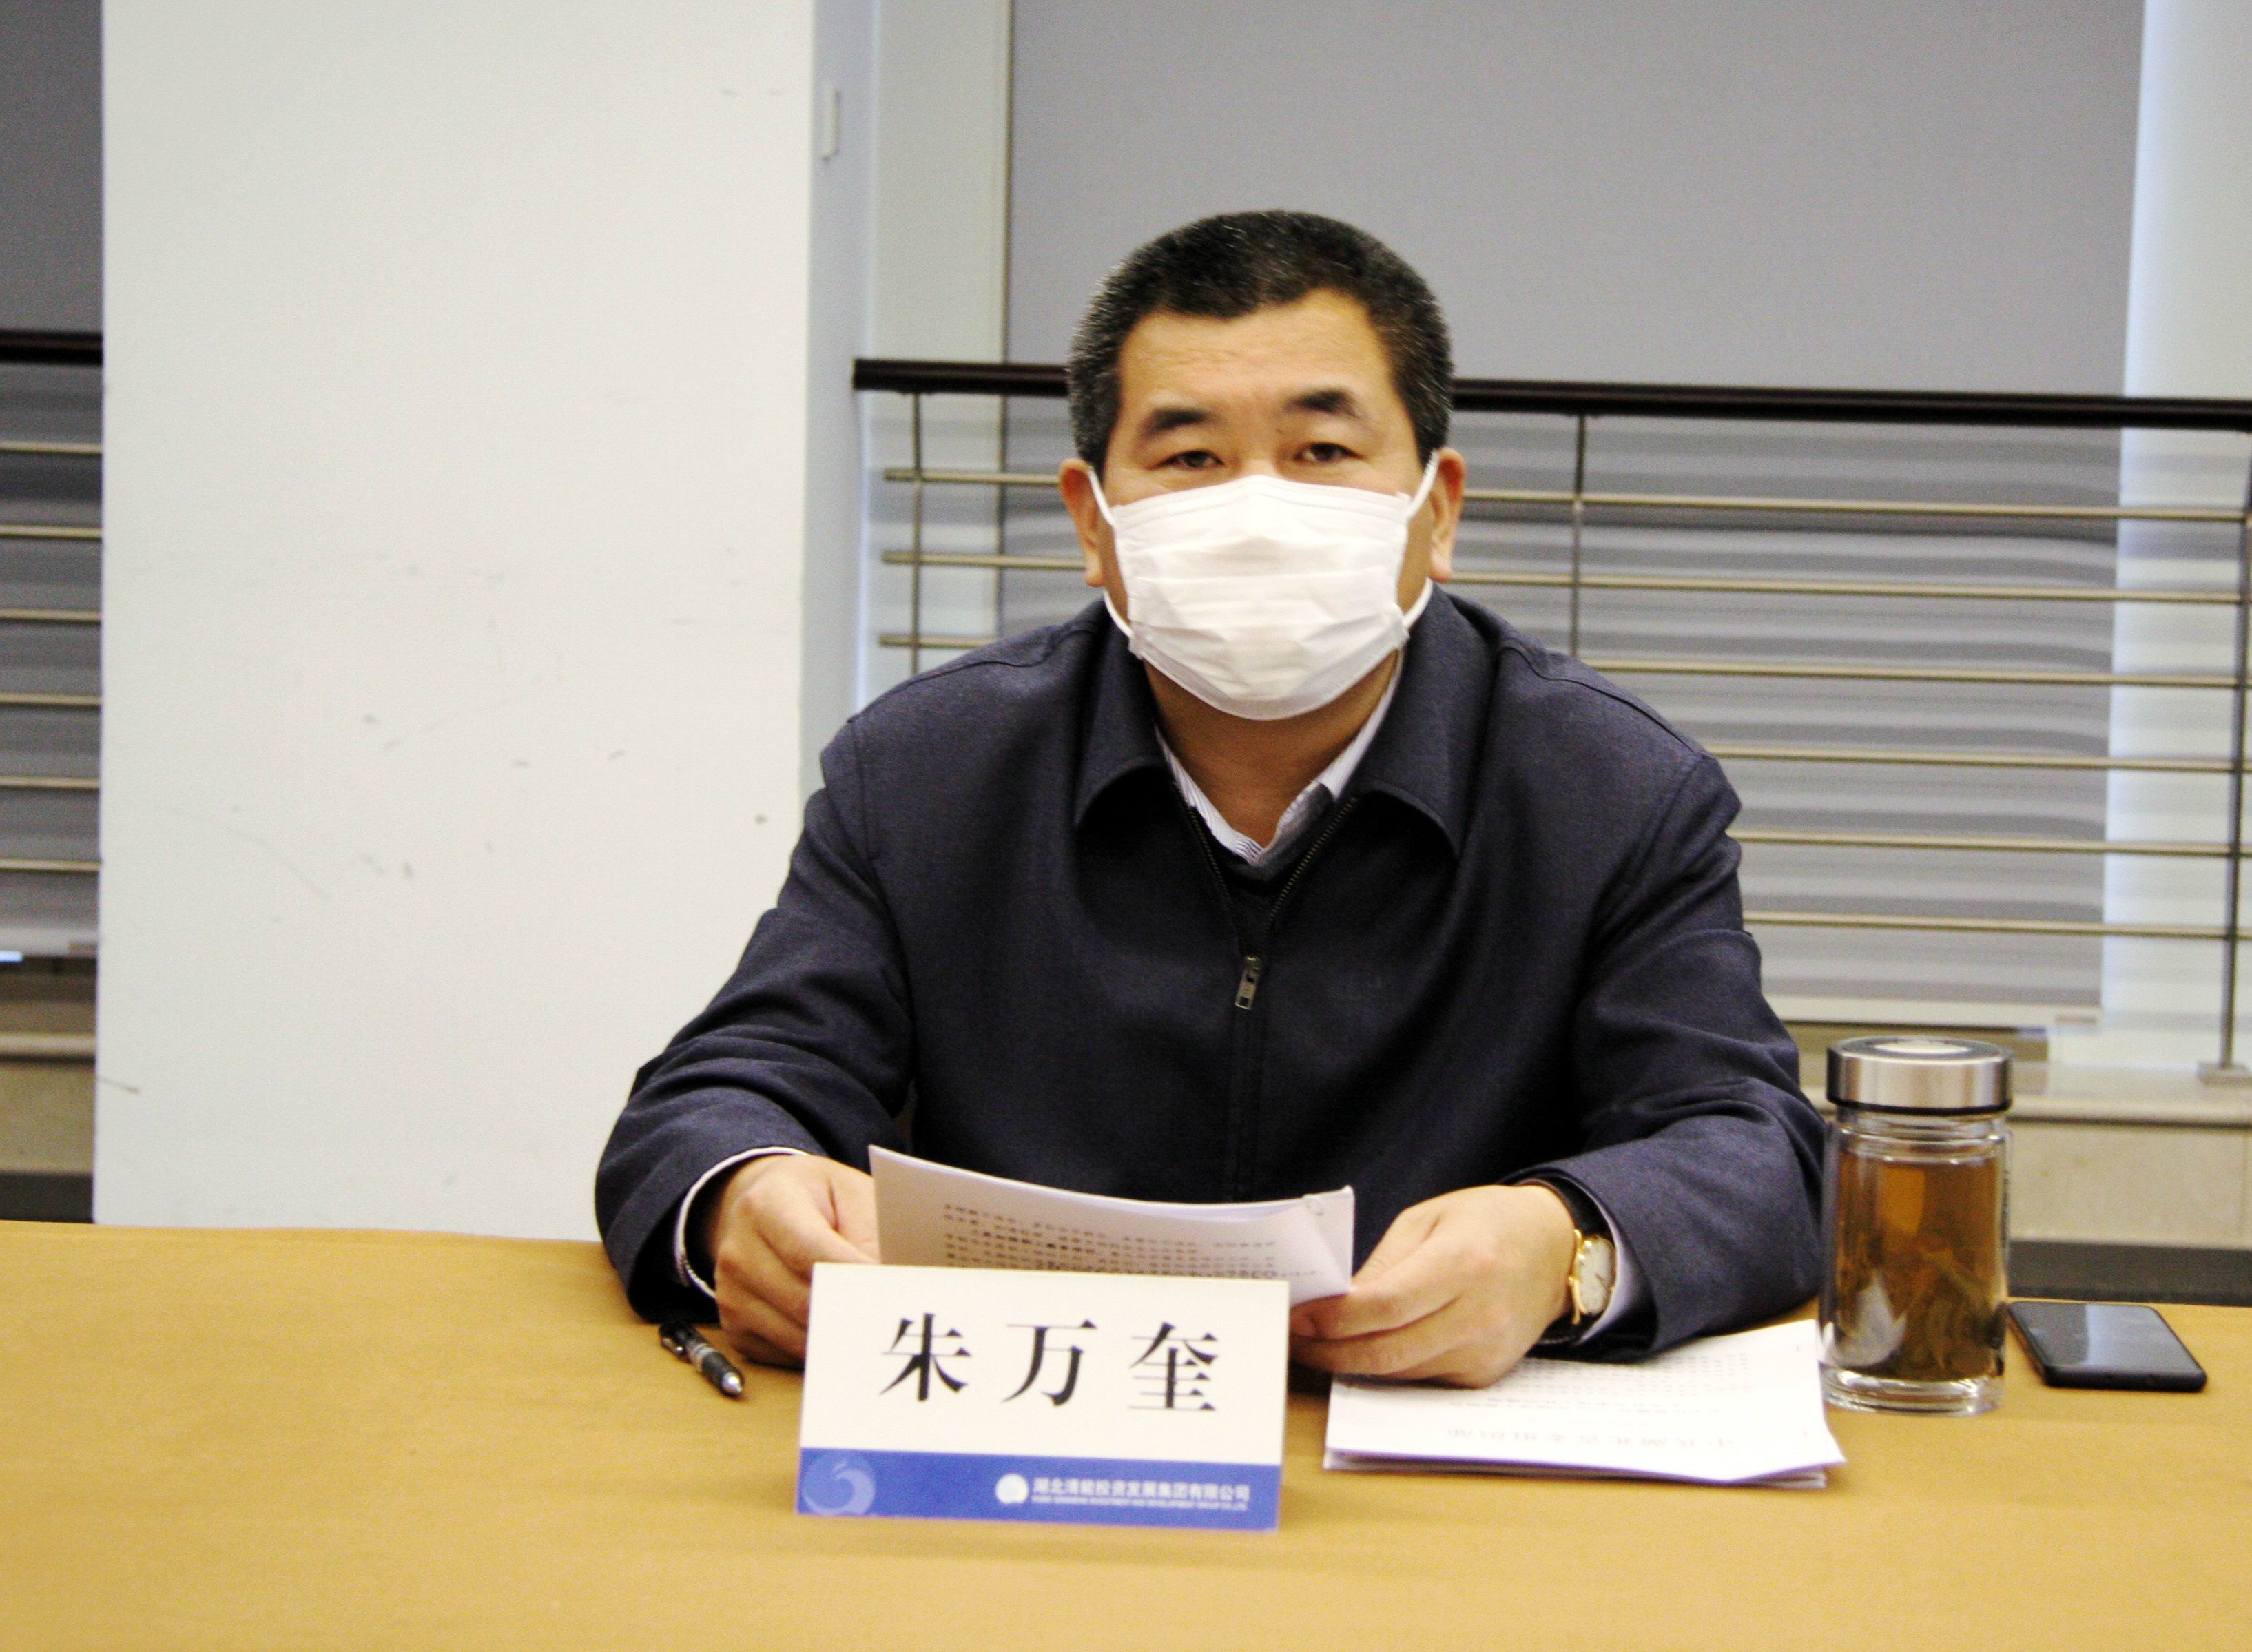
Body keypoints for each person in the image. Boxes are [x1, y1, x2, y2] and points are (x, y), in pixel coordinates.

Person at [596, 211, 1824, 1386]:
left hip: (1428, 1454)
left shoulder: (1612, 793)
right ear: (1093, 523)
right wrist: (742, 1194)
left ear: (1437, 509)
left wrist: (1570, 1246)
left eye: (1323, 452)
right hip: (1030, 1430)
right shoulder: (927, 774)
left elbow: (1755, 1149)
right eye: (1190, 458)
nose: (1257, 513)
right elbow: (724, 1088)